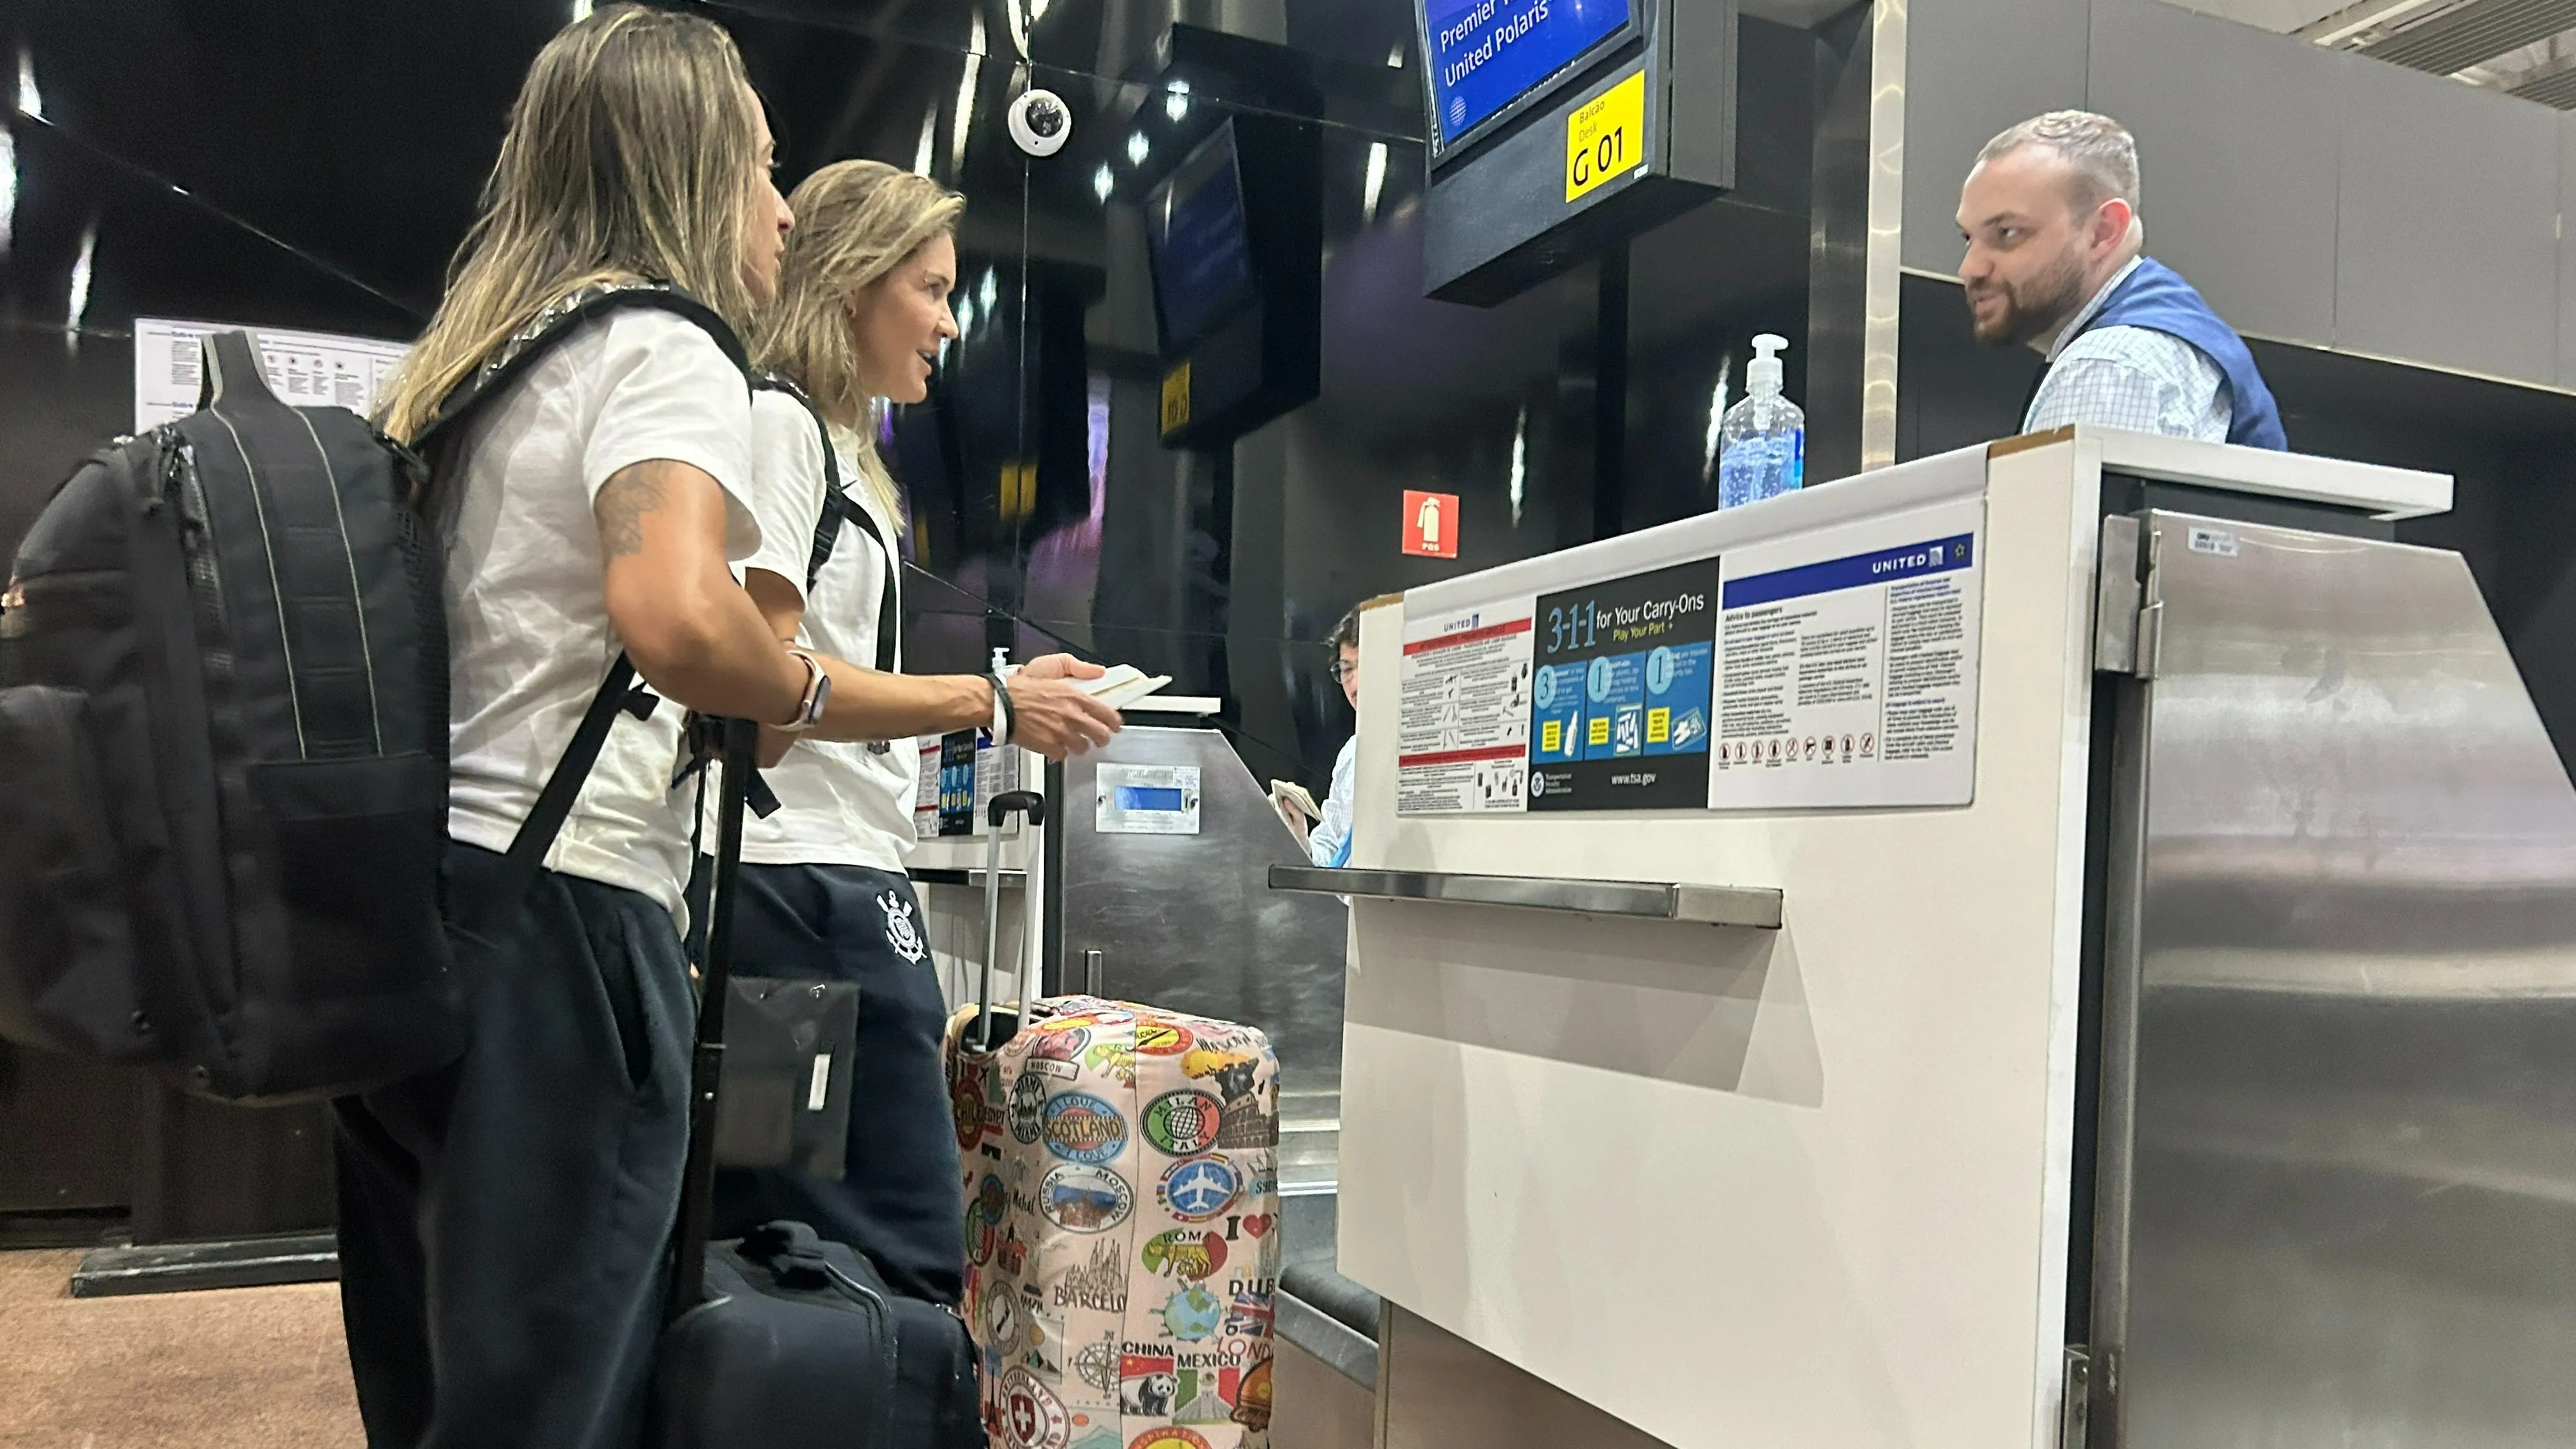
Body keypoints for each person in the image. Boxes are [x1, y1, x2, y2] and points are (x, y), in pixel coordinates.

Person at [341, 12, 1111, 1447]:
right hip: (573, 911)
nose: (778, 206)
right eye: (760, 166)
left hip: (425, 905)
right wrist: (849, 689)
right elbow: (689, 626)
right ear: (689, 166)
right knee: (569, 1376)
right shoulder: (660, 343)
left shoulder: (476, 365)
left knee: (446, 1368)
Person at [705, 158, 1123, 1304]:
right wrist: (987, 701)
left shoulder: (845, 457)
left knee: (783, 1239)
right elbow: (762, 695)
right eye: (930, 289)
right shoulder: (781, 428)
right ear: (851, 282)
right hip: (805, 896)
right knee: (891, 1251)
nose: (948, 321)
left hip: (809, 889)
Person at [1955, 110, 2287, 449]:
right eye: (1969, 238)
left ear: (2103, 231)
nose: (1971, 268)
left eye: (2008, 233)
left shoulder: (2110, 365)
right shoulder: (2167, 335)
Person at [1300, 607, 1361, 868]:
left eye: (1367, 666)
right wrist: (1299, 838)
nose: (1355, 685)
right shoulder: (1351, 753)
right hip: (1348, 907)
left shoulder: (1426, 753)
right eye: (1347, 669)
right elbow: (1333, 850)